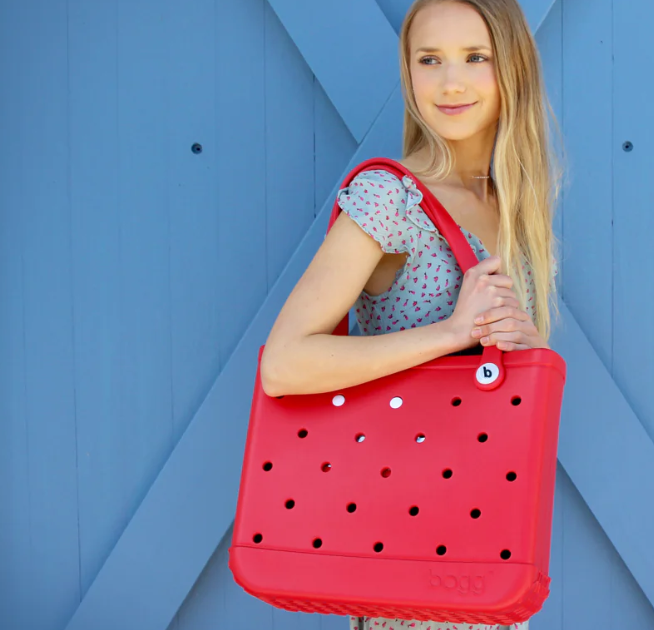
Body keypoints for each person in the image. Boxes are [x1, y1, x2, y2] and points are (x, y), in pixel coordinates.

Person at [259, 0, 562, 628]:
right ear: (409, 74)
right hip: (407, 559)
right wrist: (451, 333)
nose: (451, 81)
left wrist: (523, 347)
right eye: (431, 60)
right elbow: (284, 364)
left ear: (512, 67)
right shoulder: (390, 198)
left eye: (475, 57)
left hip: (486, 557)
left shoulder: (512, 206)